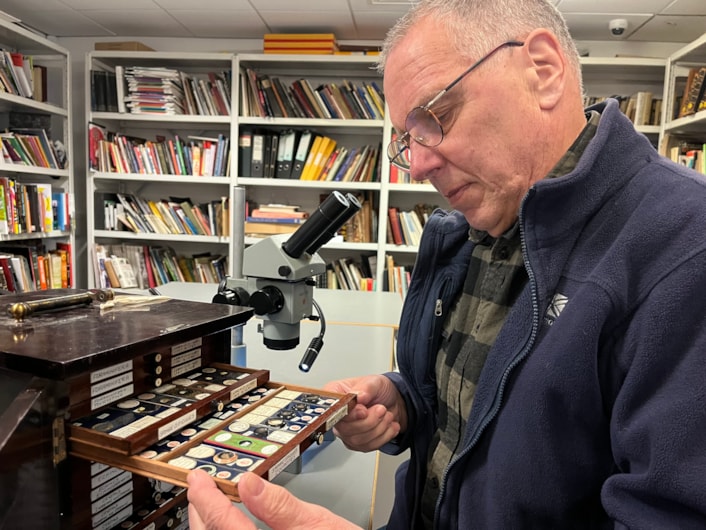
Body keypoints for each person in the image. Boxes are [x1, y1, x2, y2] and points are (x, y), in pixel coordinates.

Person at [188, 0, 706, 527]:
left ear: (543, 72)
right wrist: (404, 402)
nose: (416, 166)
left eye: (433, 117)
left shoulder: (688, 248)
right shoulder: (474, 226)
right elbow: (480, 411)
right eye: (405, 141)